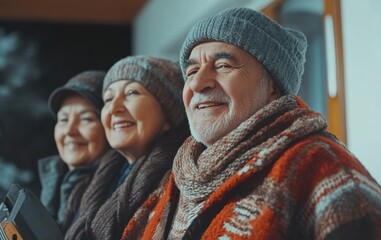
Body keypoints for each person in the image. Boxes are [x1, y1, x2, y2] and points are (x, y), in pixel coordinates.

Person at [122, 7, 381, 240]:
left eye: (223, 65)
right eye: (191, 71)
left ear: (273, 88)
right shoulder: (178, 177)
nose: (198, 83)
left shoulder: (321, 166)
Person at [64, 55, 189, 239]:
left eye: (132, 93)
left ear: (168, 113)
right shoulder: (97, 179)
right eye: (108, 99)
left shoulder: (180, 180)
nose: (114, 108)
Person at [38, 70, 109, 232]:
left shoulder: (116, 192)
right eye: (63, 119)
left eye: (86, 119)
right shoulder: (52, 189)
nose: (70, 130)